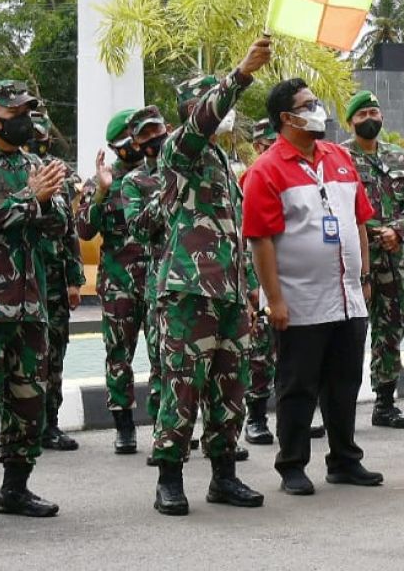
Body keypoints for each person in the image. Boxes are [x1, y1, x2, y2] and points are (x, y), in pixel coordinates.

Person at [243, 79, 384, 496]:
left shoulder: (339, 156)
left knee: (345, 384)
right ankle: (292, 466)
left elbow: (358, 219)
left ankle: (344, 461)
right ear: (287, 118)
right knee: (298, 385)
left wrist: (365, 275)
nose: (318, 108)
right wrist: (275, 300)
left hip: (348, 296)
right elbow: (260, 239)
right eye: (308, 104)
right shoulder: (266, 169)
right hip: (300, 300)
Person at [149, 37, 271, 516]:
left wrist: (250, 294)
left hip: (228, 293)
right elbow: (204, 117)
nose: (224, 112)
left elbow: (236, 234)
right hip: (187, 290)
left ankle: (224, 476)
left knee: (230, 389)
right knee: (182, 387)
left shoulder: (222, 162)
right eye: (212, 101)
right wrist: (240, 73)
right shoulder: (180, 148)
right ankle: (169, 478)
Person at [0, 80, 69, 528]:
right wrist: (29, 199)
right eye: (15, 112)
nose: (24, 119)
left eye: (27, 110)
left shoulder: (34, 164)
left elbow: (60, 224)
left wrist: (46, 202)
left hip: (31, 306)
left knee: (28, 400)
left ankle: (15, 488)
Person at [343, 90, 404, 429]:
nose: (370, 119)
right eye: (362, 115)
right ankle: (339, 406)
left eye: (374, 112)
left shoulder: (399, 159)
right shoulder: (339, 158)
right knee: (347, 333)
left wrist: (398, 230)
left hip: (392, 259)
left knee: (391, 329)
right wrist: (372, 231)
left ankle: (385, 404)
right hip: (353, 261)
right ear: (350, 122)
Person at [76, 107, 149, 454]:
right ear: (119, 145)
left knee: (167, 355)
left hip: (159, 277)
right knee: (119, 354)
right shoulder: (101, 181)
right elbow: (84, 229)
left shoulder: (159, 174)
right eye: (130, 141)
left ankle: (169, 423)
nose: (136, 146)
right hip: (119, 281)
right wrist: (102, 192)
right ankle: (124, 426)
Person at [116, 106, 173, 465]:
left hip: (199, 281)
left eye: (157, 130)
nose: (153, 138)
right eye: (145, 135)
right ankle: (161, 432)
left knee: (177, 365)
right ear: (136, 142)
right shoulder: (134, 182)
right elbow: (138, 228)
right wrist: (167, 190)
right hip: (161, 280)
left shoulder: (190, 168)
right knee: (159, 360)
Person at [29, 110, 86, 452]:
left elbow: (70, 233)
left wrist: (74, 280)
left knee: (54, 357)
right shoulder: (12, 172)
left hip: (53, 283)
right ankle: (16, 431)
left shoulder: (60, 174)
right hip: (17, 281)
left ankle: (50, 424)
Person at [240, 117, 277, 446]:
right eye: (268, 144)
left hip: (290, 278)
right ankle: (256, 418)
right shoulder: (249, 180)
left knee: (295, 353)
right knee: (259, 354)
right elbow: (242, 239)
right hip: (257, 283)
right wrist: (252, 283)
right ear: (257, 147)